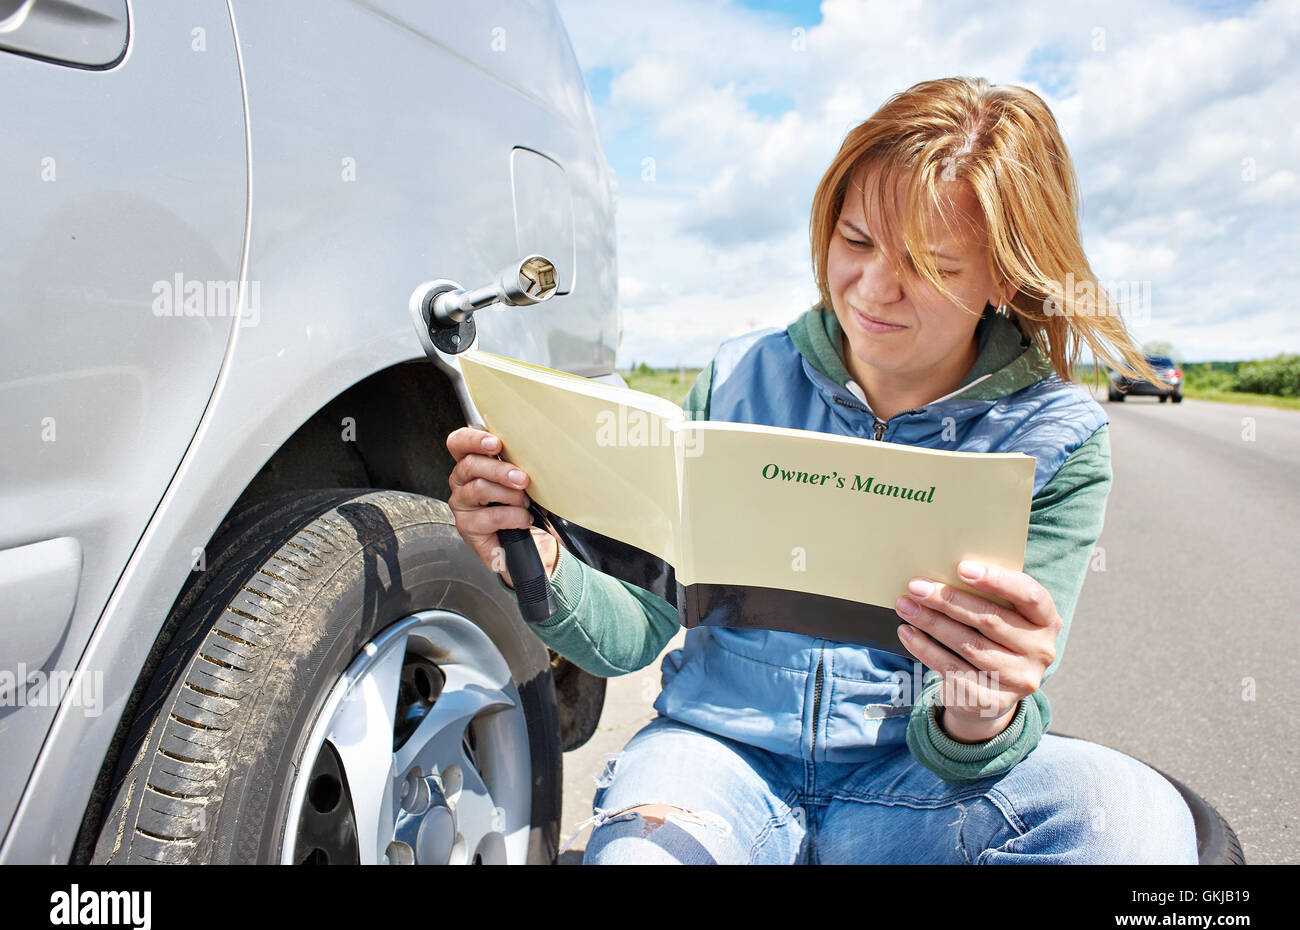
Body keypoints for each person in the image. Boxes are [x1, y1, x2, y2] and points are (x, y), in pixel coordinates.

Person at [445, 76, 1194, 864]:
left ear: (1005, 276)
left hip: (915, 792)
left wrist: (984, 708)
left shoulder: (1055, 440)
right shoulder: (735, 381)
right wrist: (540, 558)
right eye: (857, 241)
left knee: (1136, 819)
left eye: (931, 267)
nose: (872, 291)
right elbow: (636, 632)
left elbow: (976, 745)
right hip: (718, 762)